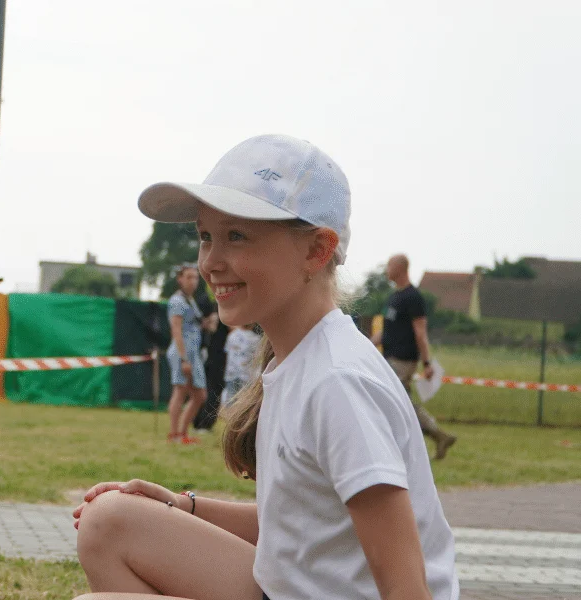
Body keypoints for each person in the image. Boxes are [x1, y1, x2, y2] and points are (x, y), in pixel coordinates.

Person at [72, 134, 458, 600]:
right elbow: (304, 530)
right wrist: (183, 506)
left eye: (237, 235)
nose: (211, 261)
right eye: (205, 236)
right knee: (108, 520)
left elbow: (407, 582)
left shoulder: (339, 382)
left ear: (317, 251)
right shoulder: (299, 359)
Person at [370, 254, 458, 460]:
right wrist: (367, 345)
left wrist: (427, 363)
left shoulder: (413, 297)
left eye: (389, 266)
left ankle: (432, 437)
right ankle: (438, 436)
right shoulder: (394, 297)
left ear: (400, 268)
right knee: (400, 402)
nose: (386, 270)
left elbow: (420, 332)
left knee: (397, 403)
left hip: (402, 359)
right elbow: (387, 330)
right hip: (390, 357)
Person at [165, 265, 207, 444]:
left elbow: (191, 325)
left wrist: (205, 324)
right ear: (180, 279)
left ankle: (182, 433)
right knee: (180, 391)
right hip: (183, 352)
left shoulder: (190, 300)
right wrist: (183, 359)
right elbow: (176, 330)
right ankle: (175, 434)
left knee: (199, 395)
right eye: (189, 277)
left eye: (195, 277)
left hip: (193, 352)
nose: (193, 281)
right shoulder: (177, 301)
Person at [192, 285, 227, 432]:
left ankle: (201, 421)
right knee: (211, 387)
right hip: (213, 352)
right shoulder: (207, 301)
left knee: (207, 387)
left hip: (212, 351)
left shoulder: (202, 300)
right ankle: (203, 421)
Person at [221, 323, 261, 410]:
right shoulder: (256, 339)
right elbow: (257, 358)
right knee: (244, 401)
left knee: (230, 399)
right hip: (247, 375)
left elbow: (227, 351)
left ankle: (229, 419)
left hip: (231, 373)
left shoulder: (232, 335)